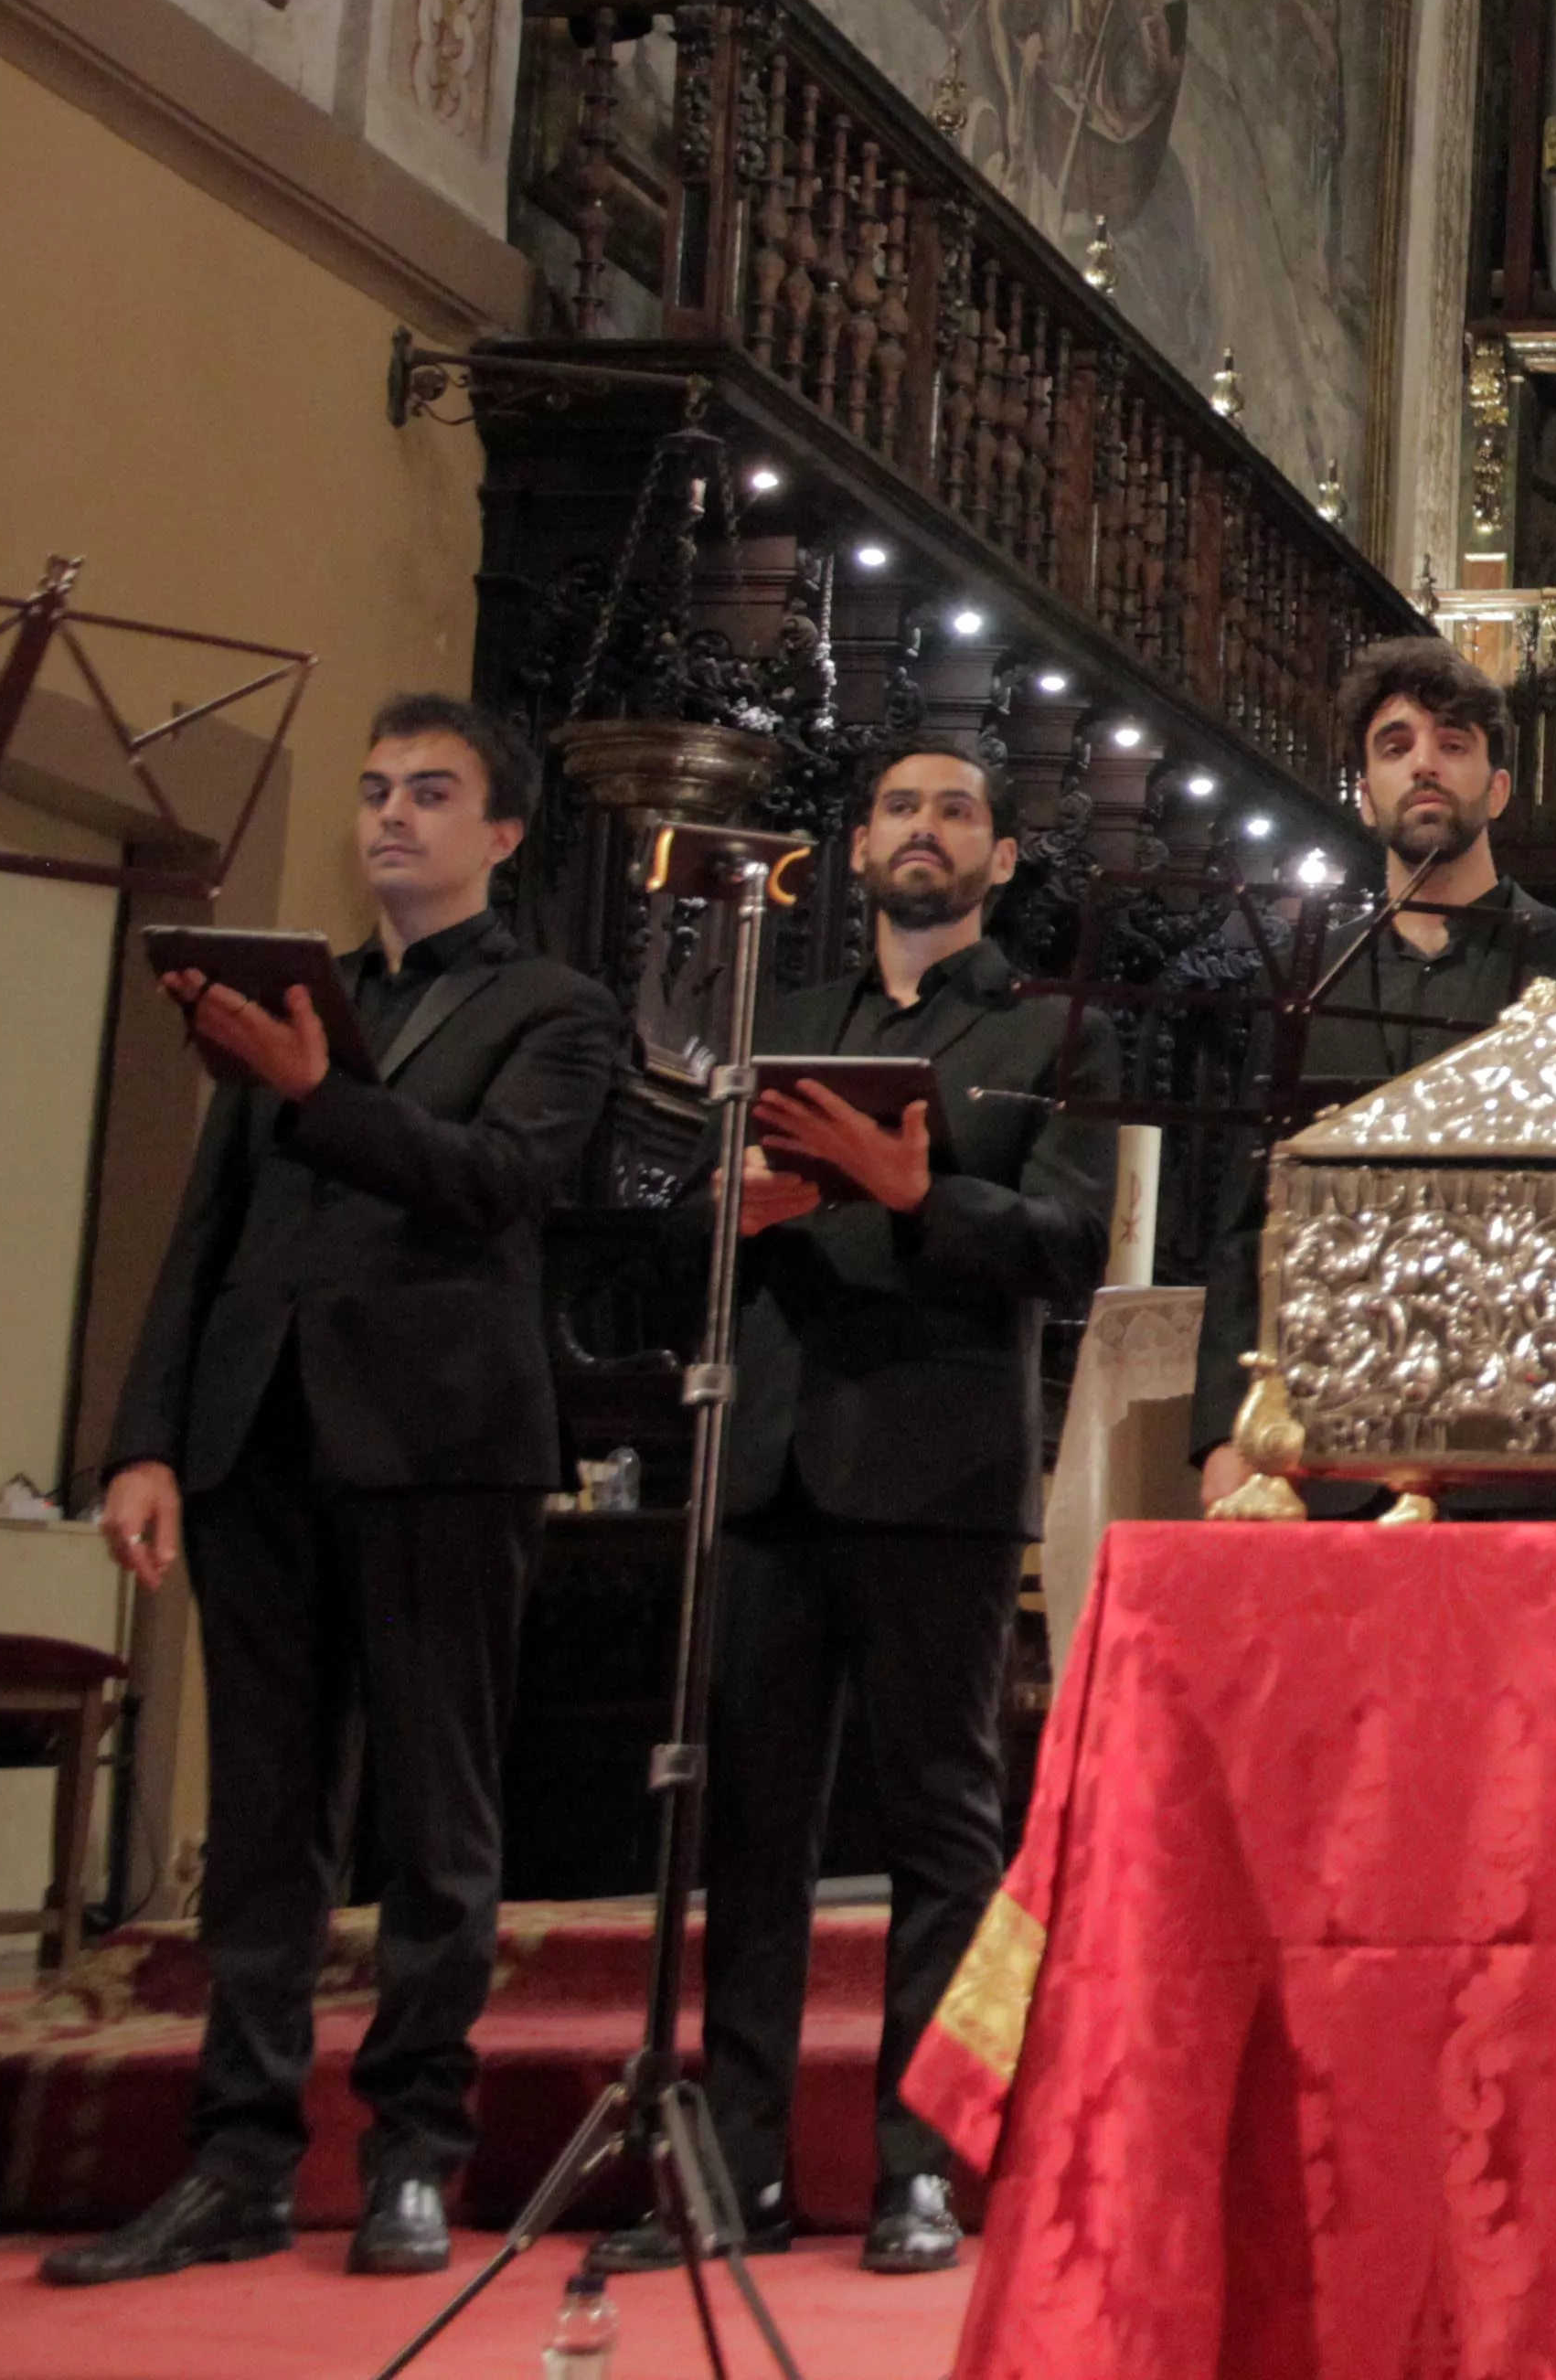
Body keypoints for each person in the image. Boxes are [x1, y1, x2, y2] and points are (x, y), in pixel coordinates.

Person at [56, 701, 624, 2287]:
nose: (390, 816)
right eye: (376, 791)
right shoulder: (292, 997)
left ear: (501, 833)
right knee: (261, 1827)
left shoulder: (556, 1005)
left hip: (441, 1448)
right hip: (260, 1439)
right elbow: (207, 1230)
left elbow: (494, 1183)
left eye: (430, 794)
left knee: (436, 1823)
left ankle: (414, 2157)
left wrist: (319, 1091)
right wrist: (145, 1441)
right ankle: (236, 2161)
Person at [601, 748, 1114, 2279]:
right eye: (899, 807)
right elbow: (685, 1223)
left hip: (937, 1472)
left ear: (1001, 858)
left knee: (941, 1823)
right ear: (860, 845)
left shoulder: (1047, 1032)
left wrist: (913, 1195)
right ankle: (740, 2167)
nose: (923, 829)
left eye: (955, 811)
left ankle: (920, 2169)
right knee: (754, 1830)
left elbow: (1070, 1245)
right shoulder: (794, 1021)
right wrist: (727, 1206)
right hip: (767, 1465)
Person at [1190, 635, 1556, 1501]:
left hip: (1524, 1444)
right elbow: (1249, 1227)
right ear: (1364, 796)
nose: (1425, 764)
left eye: (1453, 744)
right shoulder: (1304, 980)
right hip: (1324, 1450)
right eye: (1396, 747)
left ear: (1496, 789)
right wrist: (1223, 1435)